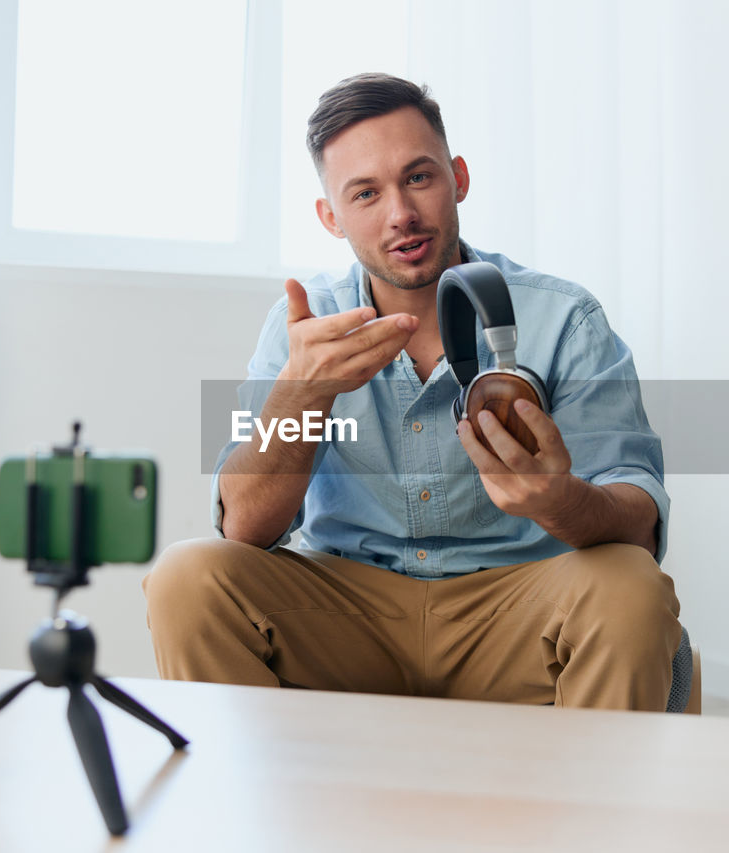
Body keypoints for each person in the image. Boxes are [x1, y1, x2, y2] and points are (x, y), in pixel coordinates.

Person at [143, 73, 682, 710]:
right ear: (331, 218)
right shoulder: (302, 329)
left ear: (459, 178)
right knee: (187, 576)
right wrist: (301, 396)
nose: (401, 214)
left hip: (516, 609)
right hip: (347, 613)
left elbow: (638, 523)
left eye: (419, 178)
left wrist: (562, 501)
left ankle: (580, 808)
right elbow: (245, 529)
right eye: (365, 193)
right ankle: (275, 808)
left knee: (632, 586)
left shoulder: (564, 319)